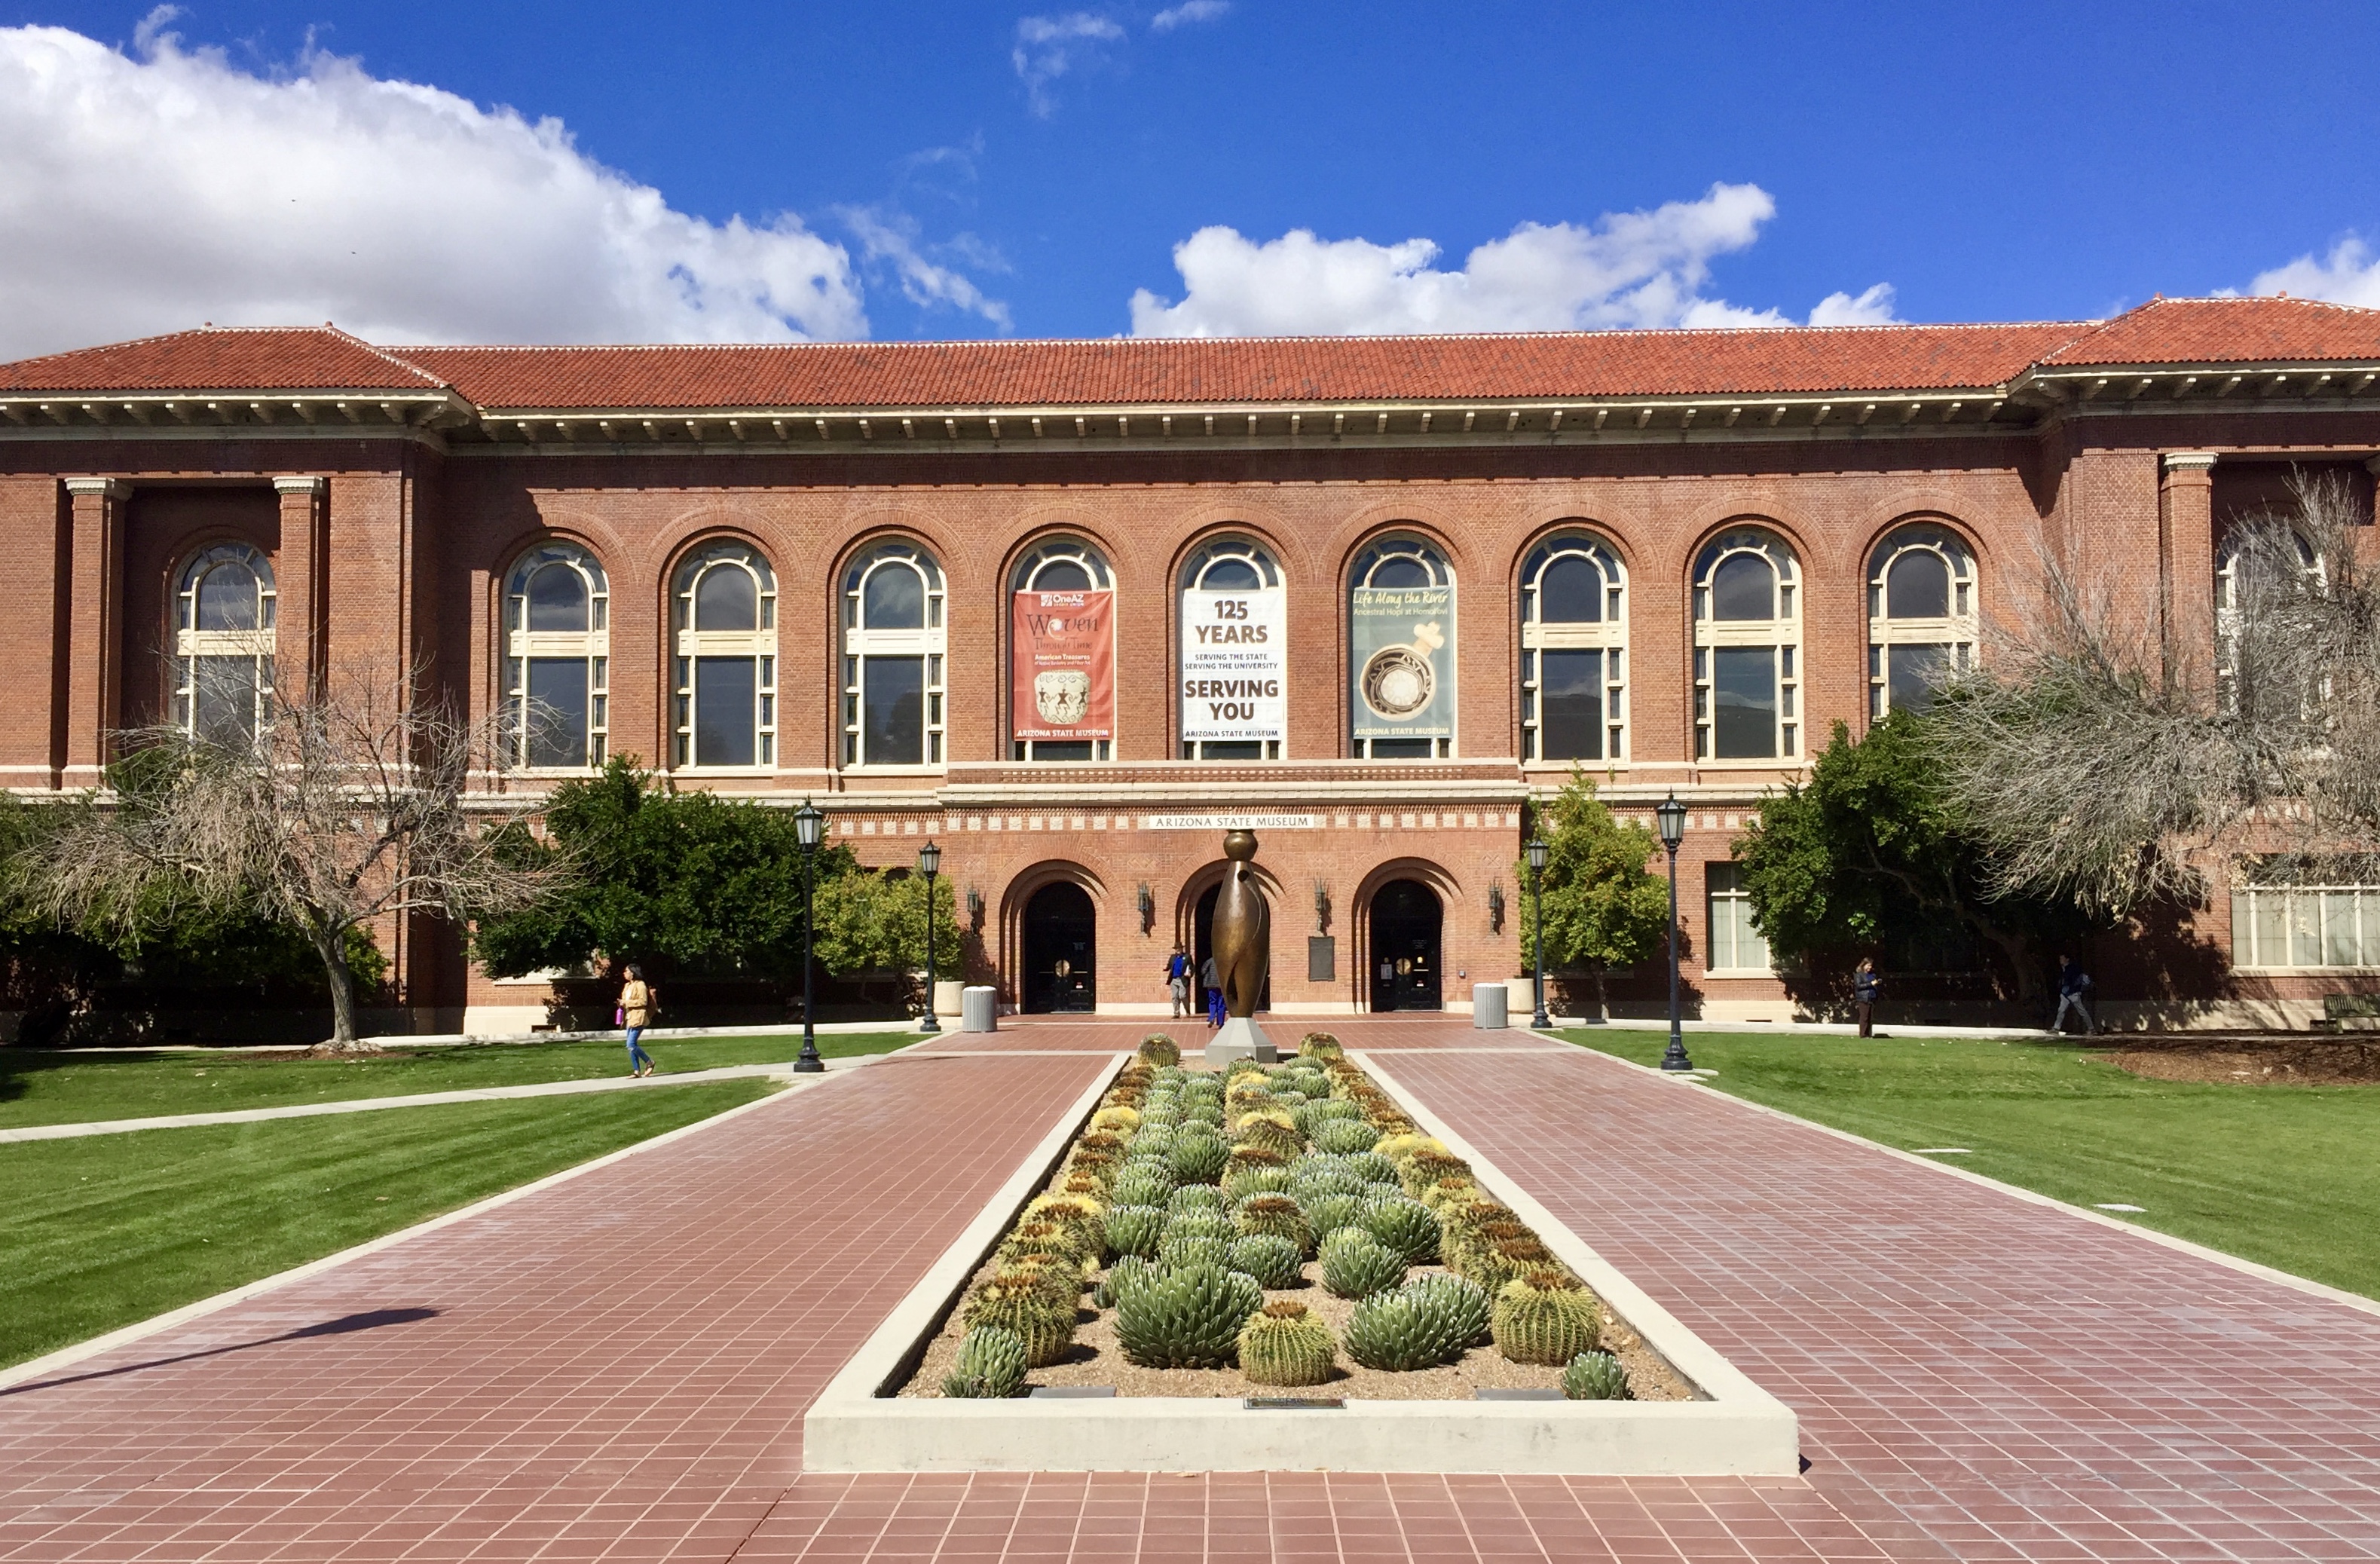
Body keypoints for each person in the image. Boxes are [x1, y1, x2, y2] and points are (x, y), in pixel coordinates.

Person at [619, 963, 658, 1076]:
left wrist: (627, 1003)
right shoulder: (627, 986)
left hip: (639, 1017)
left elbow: (643, 1001)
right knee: (632, 1045)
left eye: (627, 971)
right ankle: (637, 1071)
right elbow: (625, 1000)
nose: (624, 973)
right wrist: (622, 1003)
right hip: (629, 1017)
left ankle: (649, 1062)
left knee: (630, 1044)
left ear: (633, 972)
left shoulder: (641, 985)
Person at [2050, 954, 2094, 1036]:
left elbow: (2073, 981)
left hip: (2072, 993)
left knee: (2081, 1011)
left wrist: (2071, 990)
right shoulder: (2065, 969)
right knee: (2061, 1010)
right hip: (2066, 993)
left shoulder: (2072, 969)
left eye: (2062, 958)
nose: (2060, 960)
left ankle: (2091, 1028)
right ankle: (2056, 1028)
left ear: (2067, 959)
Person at [1852, 957, 1880, 1038]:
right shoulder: (1859, 975)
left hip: (1872, 997)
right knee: (1864, 1017)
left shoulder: (1872, 975)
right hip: (1863, 998)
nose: (1869, 967)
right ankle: (1863, 1034)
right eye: (1868, 965)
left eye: (1870, 966)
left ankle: (1869, 1034)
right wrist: (1871, 984)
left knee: (1870, 1018)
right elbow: (1859, 986)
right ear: (1863, 965)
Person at [1165, 944, 1192, 1018]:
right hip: (1174, 979)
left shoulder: (1187, 957)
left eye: (1179, 948)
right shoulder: (1173, 957)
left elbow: (1192, 966)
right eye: (1176, 948)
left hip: (1182, 979)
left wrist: (1190, 973)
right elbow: (1170, 965)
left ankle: (1187, 1010)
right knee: (1174, 997)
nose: (1178, 950)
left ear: (1182, 949)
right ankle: (1176, 1013)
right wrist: (1166, 969)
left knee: (1182, 996)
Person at [1200, 952, 1223, 1030]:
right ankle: (1220, 1022)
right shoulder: (1225, 962)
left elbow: (1203, 971)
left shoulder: (1210, 961)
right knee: (1221, 1004)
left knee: (1212, 1002)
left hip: (1211, 984)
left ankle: (1212, 1017)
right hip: (1222, 985)